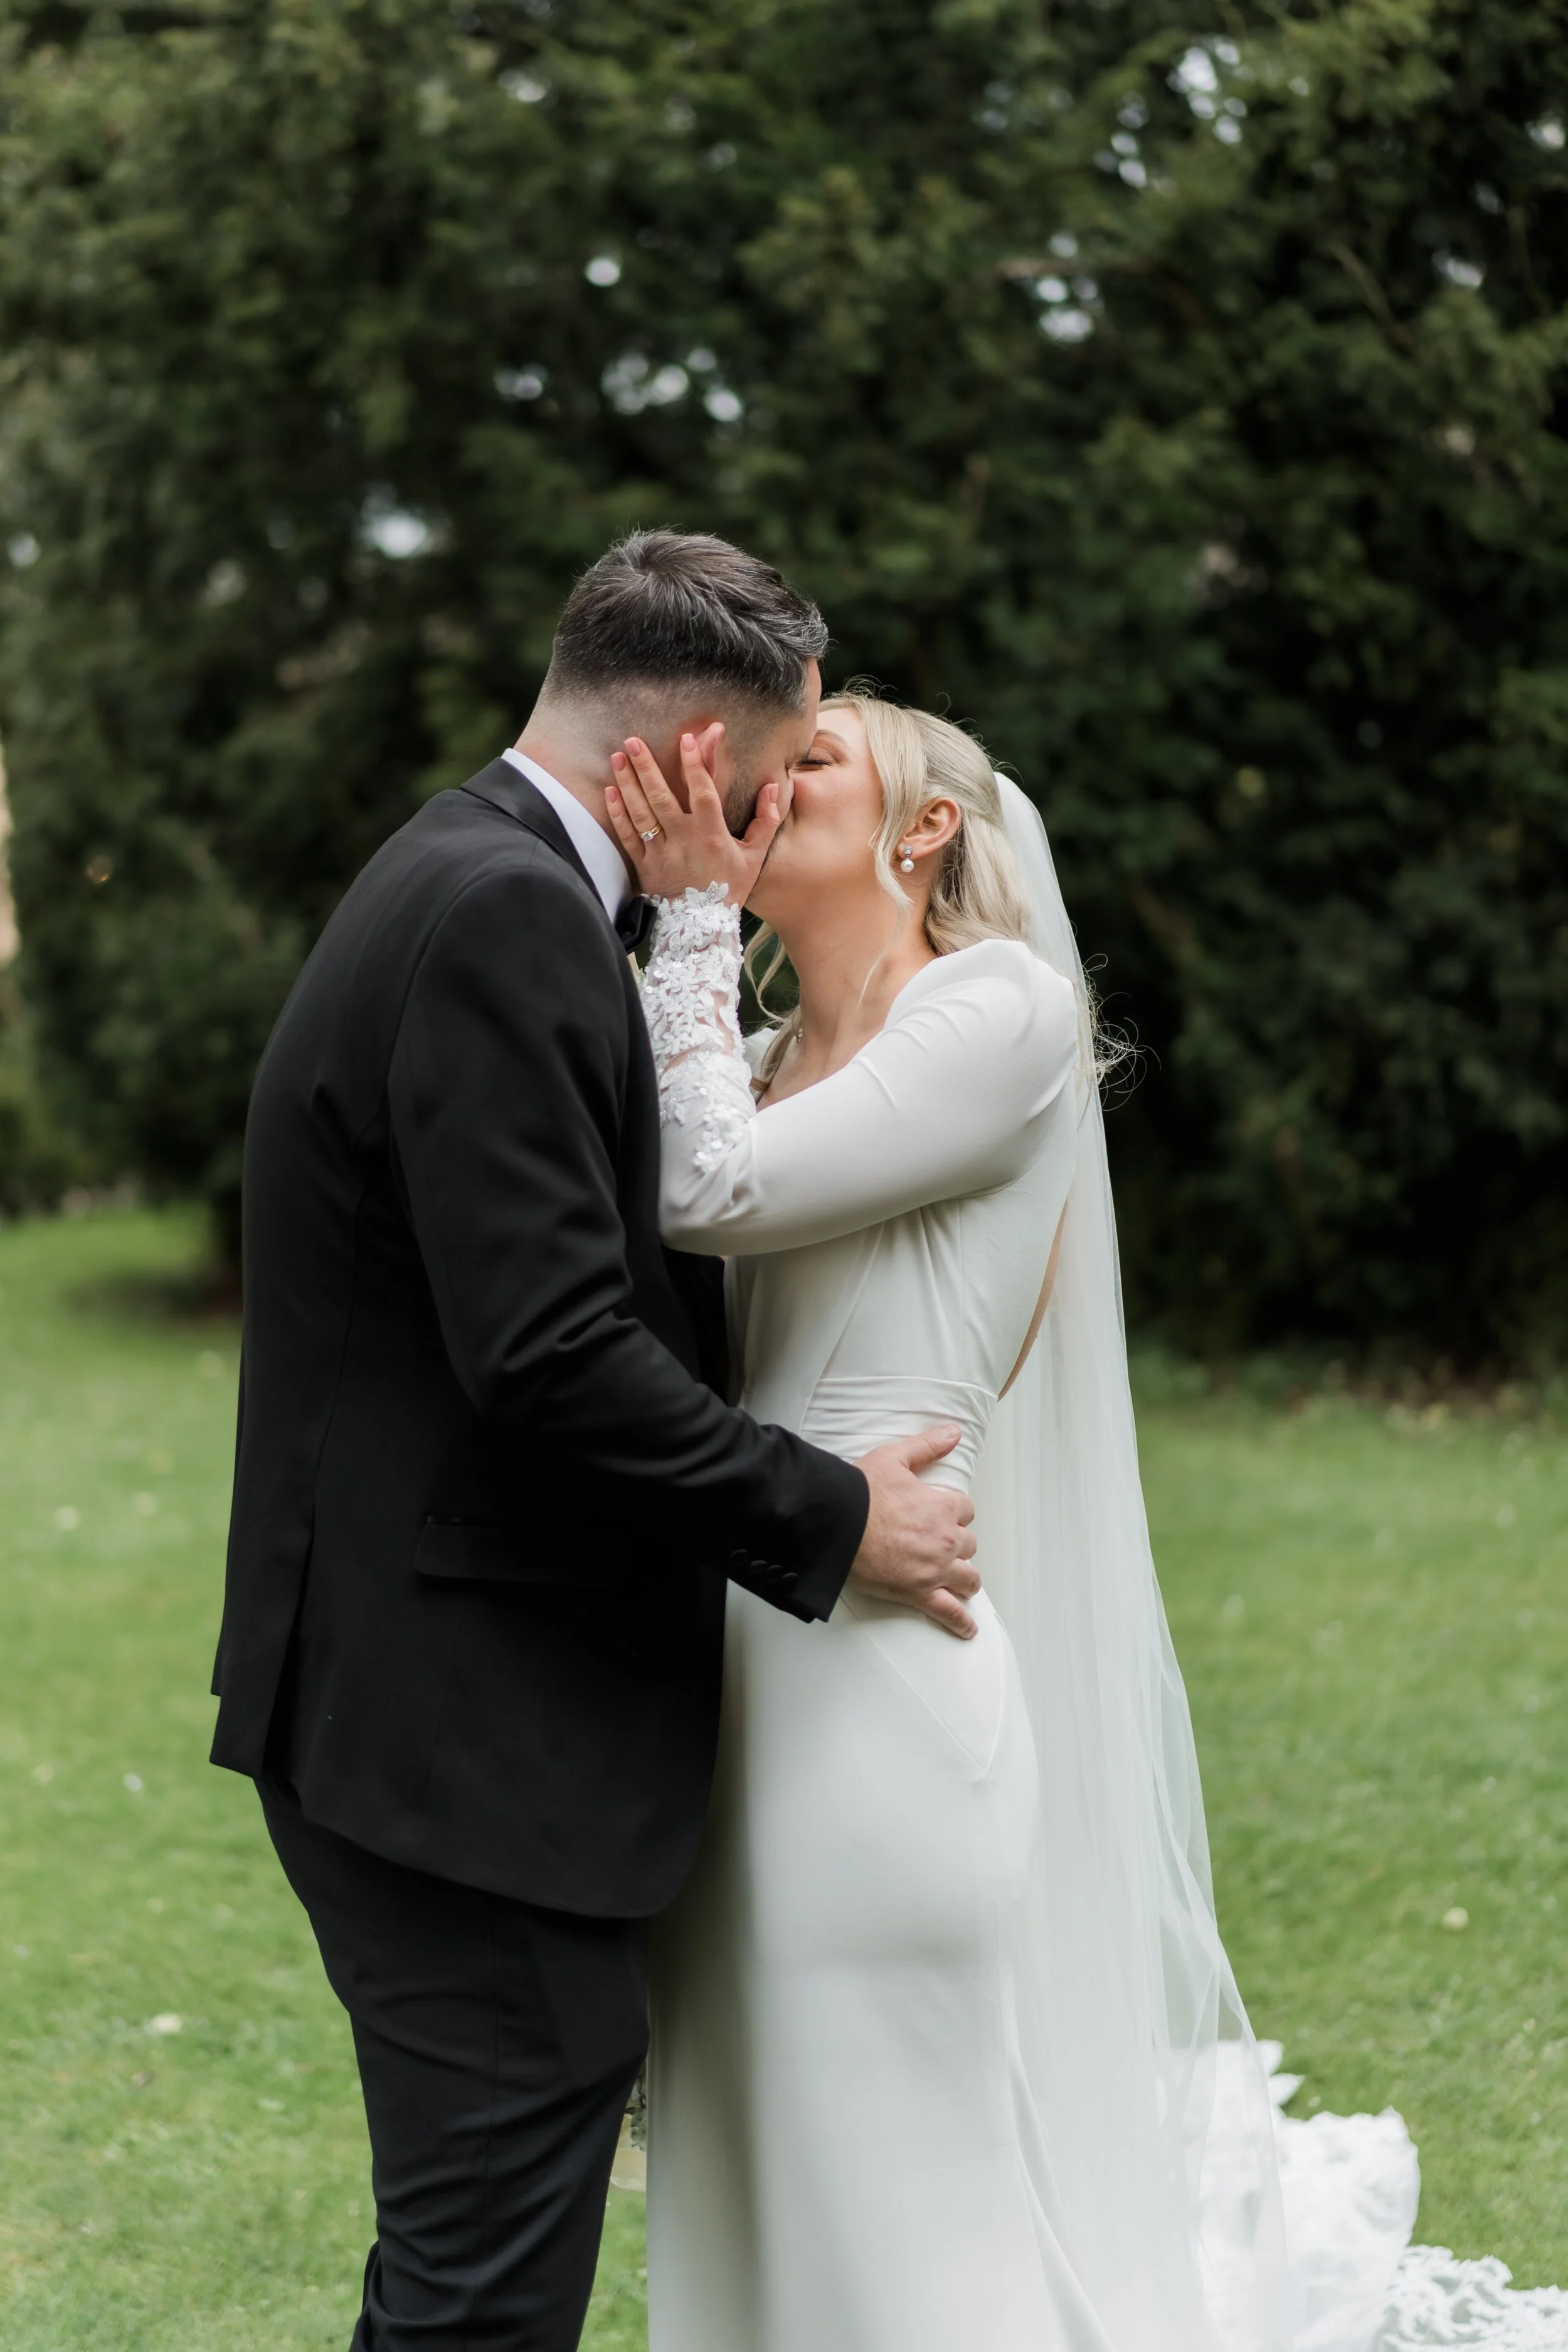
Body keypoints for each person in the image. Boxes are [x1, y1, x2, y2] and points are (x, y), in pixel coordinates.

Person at [610, 693, 1542, 2352]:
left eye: (811, 758)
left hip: (879, 1678)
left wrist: (683, 911)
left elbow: (707, 1193)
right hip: (726, 1657)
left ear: (924, 829)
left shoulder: (1000, 1013)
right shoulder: (747, 1063)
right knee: (752, 2182)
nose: (764, 783)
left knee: (908, 2195)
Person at [209, 536, 982, 2352]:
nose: (792, 802)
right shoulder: (498, 914)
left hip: (425, 1710)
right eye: (786, 769)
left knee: (458, 2269)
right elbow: (552, 1350)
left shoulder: (493, 882)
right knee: (481, 2302)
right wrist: (827, 1515)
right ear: (701, 759)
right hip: (456, 1735)